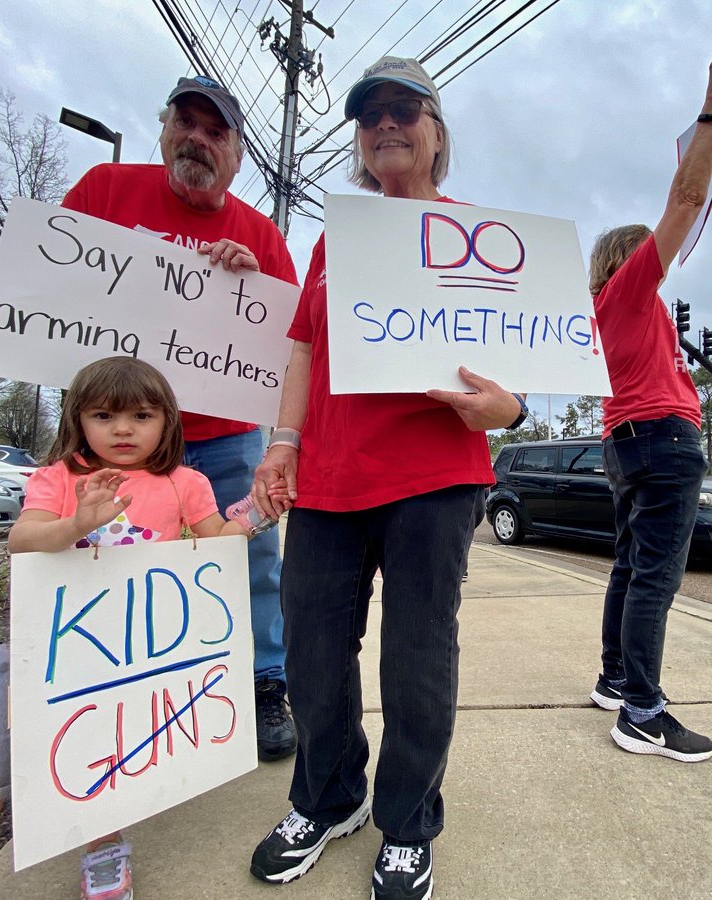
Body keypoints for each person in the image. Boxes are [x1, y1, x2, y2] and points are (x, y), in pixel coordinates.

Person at [245, 57, 526, 900]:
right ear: (361, 144)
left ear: (439, 134)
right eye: (371, 117)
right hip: (328, 478)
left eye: (406, 110)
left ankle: (408, 822)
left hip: (436, 477)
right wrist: (282, 444)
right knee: (312, 650)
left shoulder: (486, 238)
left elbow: (524, 360)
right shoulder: (337, 239)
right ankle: (329, 799)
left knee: (417, 658)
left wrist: (509, 410)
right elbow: (301, 349)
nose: (387, 126)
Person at [0, 357, 250, 900]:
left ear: (167, 420)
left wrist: (258, 514)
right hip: (42, 651)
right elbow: (22, 541)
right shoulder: (58, 478)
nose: (122, 429)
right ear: (78, 419)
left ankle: (102, 847)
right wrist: (78, 523)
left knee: (102, 757)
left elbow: (216, 541)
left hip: (131, 652)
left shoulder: (184, 481)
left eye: (142, 415)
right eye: (104, 415)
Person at [61, 75, 301, 761]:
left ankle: (264, 684)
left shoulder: (259, 233)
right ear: (164, 128)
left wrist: (255, 282)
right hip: (120, 442)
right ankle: (115, 694)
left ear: (237, 155)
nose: (198, 138)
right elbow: (54, 288)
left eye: (216, 130)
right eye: (186, 122)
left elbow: (291, 339)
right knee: (110, 560)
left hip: (225, 438)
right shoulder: (103, 193)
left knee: (250, 559)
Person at [587, 47, 712, 762]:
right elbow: (685, 200)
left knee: (629, 566)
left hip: (625, 442)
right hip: (662, 438)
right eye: (650, 253)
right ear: (630, 259)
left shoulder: (597, 314)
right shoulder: (627, 293)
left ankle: (617, 680)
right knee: (655, 576)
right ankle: (643, 713)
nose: (662, 259)